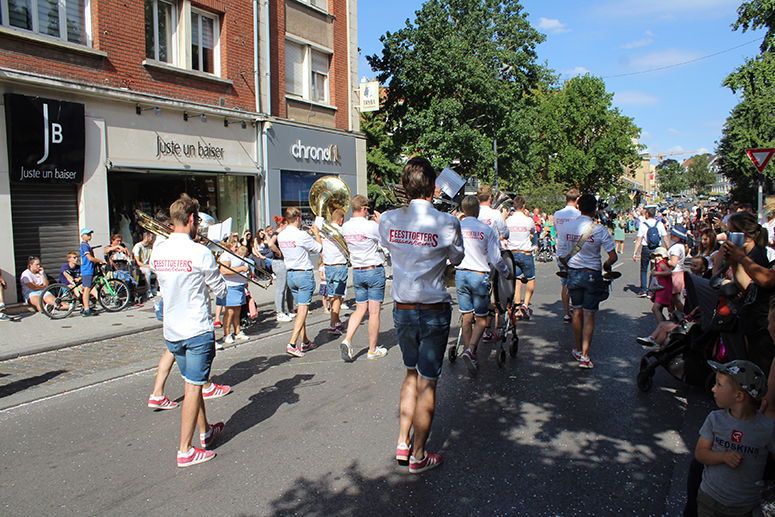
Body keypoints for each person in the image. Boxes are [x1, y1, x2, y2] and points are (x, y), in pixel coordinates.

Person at [379, 157, 464, 474]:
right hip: (433, 310)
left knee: (410, 374)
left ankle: (402, 442)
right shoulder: (448, 222)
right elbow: (458, 258)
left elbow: (389, 247)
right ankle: (418, 455)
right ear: (433, 187)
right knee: (428, 383)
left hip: (402, 310)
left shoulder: (387, 219)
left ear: (404, 186)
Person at [150, 193, 228, 467]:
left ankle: (206, 431)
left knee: (192, 382)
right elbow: (221, 290)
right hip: (196, 329)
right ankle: (185, 450)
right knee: (194, 387)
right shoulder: (200, 252)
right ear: (192, 219)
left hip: (172, 330)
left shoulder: (158, 251)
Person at [694, 360, 774, 516]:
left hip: (745, 507)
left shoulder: (767, 428)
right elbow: (700, 453)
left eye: (719, 385)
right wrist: (723, 457)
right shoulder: (715, 419)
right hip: (710, 500)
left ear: (739, 396)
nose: (713, 389)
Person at [456, 195, 511, 376]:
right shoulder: (485, 229)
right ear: (477, 211)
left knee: (466, 315)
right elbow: (496, 258)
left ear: (463, 210)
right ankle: (471, 349)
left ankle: (469, 351)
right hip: (479, 275)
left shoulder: (457, 227)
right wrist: (506, 273)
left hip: (461, 274)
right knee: (480, 317)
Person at [565, 194, 618, 369]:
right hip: (592, 274)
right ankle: (585, 356)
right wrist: (606, 265)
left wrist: (569, 265)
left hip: (573, 273)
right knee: (589, 315)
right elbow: (613, 256)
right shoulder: (600, 230)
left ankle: (578, 349)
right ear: (595, 209)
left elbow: (561, 254)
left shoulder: (568, 227)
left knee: (576, 312)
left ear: (578, 207)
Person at [340, 194, 387, 362]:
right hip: (373, 270)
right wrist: (380, 223)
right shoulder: (371, 225)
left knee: (360, 309)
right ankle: (372, 350)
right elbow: (385, 242)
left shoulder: (345, 226)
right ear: (364, 209)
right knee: (374, 312)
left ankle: (347, 340)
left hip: (357, 271)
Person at [278, 207, 322, 357]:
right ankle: (292, 343)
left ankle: (305, 341)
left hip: (290, 275)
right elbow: (318, 248)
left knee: (300, 311)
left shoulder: (281, 235)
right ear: (298, 219)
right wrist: (317, 234)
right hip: (303, 274)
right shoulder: (301, 234)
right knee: (303, 311)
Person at [504, 195, 536, 319]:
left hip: (512, 253)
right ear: (524, 206)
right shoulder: (528, 220)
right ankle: (525, 305)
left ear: (513, 206)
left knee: (517, 281)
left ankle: (517, 308)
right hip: (525, 252)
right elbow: (533, 232)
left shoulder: (508, 220)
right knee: (530, 279)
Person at [318, 209, 348, 336]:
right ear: (341, 219)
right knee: (338, 297)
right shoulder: (342, 230)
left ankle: (337, 320)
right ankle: (332, 325)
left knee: (332, 296)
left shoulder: (323, 230)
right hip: (339, 266)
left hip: (327, 266)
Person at [554, 188, 581, 323]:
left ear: (565, 199)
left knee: (564, 283)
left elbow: (556, 230)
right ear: (577, 200)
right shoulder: (579, 214)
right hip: (576, 251)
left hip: (562, 250)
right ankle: (576, 310)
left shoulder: (557, 214)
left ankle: (566, 313)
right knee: (577, 283)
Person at [217, 236, 250, 344]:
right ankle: (226, 334)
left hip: (239, 285)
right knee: (230, 311)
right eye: (235, 246)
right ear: (230, 246)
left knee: (237, 310)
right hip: (230, 286)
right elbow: (224, 271)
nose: (237, 248)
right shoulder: (225, 255)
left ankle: (237, 331)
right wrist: (241, 269)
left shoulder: (235, 255)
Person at [632, 207, 668, 298]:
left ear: (647, 214)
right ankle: (651, 291)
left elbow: (639, 239)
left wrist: (635, 252)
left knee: (644, 269)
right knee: (654, 269)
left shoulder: (643, 225)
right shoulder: (659, 224)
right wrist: (668, 249)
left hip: (646, 248)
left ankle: (643, 290)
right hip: (657, 249)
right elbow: (665, 237)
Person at [268, 217, 294, 322]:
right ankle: (279, 312)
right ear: (282, 225)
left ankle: (285, 309)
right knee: (281, 288)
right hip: (279, 262)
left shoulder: (282, 235)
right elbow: (270, 244)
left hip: (283, 262)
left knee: (287, 287)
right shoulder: (276, 234)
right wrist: (278, 251)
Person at [79, 228, 106, 317]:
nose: (89, 236)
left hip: (90, 269)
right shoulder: (84, 246)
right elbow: (89, 258)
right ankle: (86, 310)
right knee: (86, 289)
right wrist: (101, 260)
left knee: (89, 288)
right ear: (82, 236)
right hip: (87, 270)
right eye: (87, 235)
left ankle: (87, 307)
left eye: (90, 234)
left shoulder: (87, 245)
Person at [648, 247, 673, 324]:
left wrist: (657, 273)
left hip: (663, 289)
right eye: (656, 256)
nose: (657, 258)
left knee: (655, 309)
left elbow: (669, 272)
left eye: (659, 255)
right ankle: (664, 325)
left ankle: (662, 325)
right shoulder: (660, 264)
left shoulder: (662, 264)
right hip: (661, 288)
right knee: (658, 308)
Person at [667, 225, 688, 313]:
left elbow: (673, 263)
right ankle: (674, 315)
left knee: (674, 299)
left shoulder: (677, 247)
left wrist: (664, 260)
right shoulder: (681, 246)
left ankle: (684, 315)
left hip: (674, 273)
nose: (671, 235)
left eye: (673, 234)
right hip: (678, 273)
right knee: (672, 299)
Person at [133, 231, 155, 297]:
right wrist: (148, 266)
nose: (152, 239)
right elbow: (138, 262)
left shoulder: (150, 247)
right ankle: (148, 290)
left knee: (159, 270)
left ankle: (155, 288)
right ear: (147, 237)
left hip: (148, 265)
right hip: (139, 266)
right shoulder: (137, 247)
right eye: (151, 237)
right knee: (147, 271)